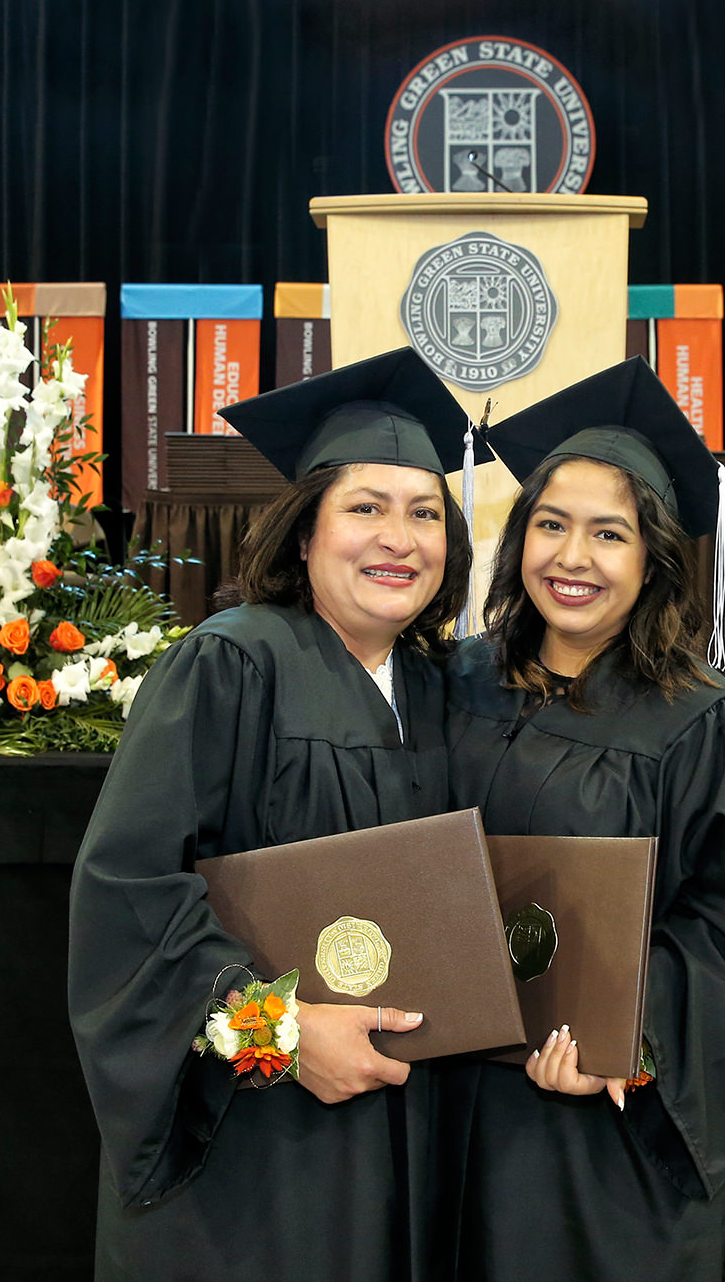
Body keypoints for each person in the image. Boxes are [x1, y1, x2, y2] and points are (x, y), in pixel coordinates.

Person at [67, 347, 484, 1281]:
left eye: (424, 513)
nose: (400, 538)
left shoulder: (438, 687)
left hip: (399, 1107)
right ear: (304, 534)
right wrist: (282, 1033)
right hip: (261, 1125)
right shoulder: (230, 663)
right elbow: (129, 888)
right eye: (365, 509)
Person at [442, 358, 725, 1280]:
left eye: (610, 534)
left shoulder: (698, 718)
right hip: (439, 1092)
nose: (572, 558)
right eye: (551, 525)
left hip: (587, 1116)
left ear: (654, 561)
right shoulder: (452, 681)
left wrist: (625, 1038)